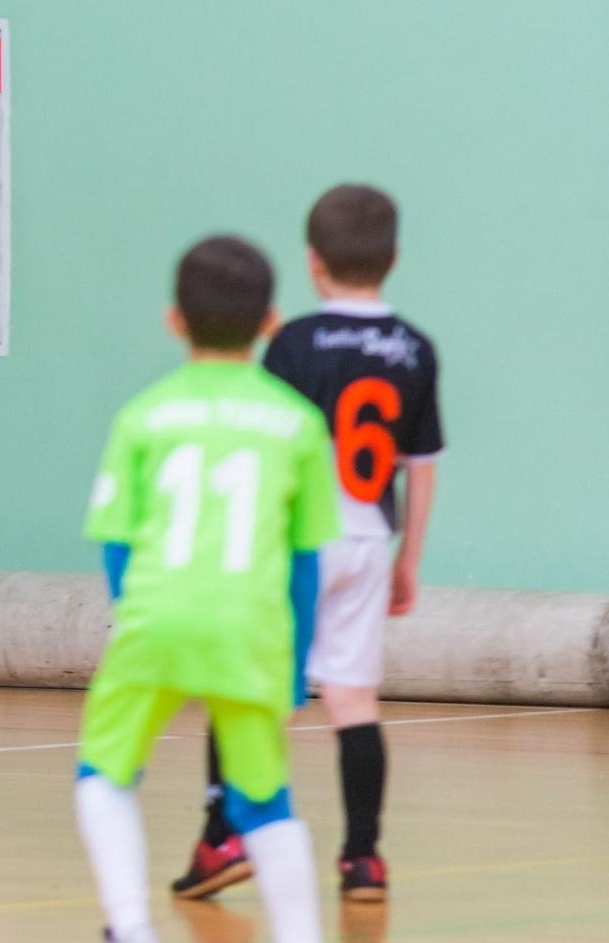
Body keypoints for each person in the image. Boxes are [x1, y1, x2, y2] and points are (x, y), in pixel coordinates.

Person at [78, 235, 342, 943]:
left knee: (103, 775)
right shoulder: (296, 423)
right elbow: (305, 564)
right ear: (269, 320)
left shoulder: (143, 415)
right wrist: (295, 663)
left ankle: (130, 933)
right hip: (250, 628)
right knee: (266, 801)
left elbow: (118, 544)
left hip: (156, 621)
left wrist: (139, 620)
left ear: (172, 320)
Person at [172, 184, 444, 904]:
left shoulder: (294, 343)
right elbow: (421, 468)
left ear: (314, 262)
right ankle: (363, 858)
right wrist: (407, 560)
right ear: (393, 259)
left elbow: (264, 442)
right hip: (366, 540)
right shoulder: (414, 348)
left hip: (295, 540)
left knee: (244, 685)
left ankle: (220, 835)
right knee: (353, 699)